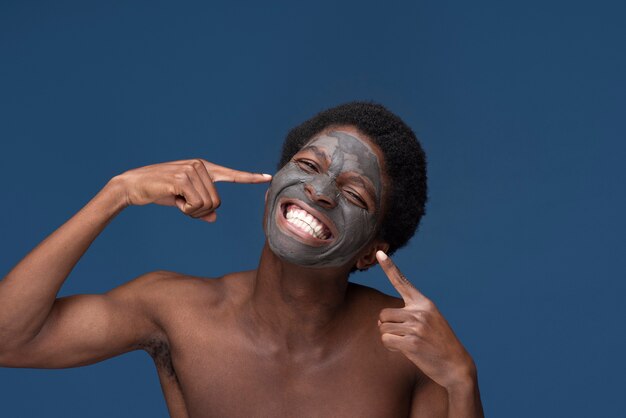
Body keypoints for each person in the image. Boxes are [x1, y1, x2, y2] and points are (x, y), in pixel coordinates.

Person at [0, 102, 484, 417]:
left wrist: (461, 379)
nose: (319, 190)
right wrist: (118, 193)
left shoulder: (407, 351)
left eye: (354, 194)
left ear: (369, 252)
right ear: (275, 183)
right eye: (309, 166)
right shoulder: (175, 312)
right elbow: (10, 339)